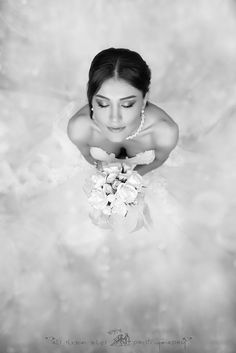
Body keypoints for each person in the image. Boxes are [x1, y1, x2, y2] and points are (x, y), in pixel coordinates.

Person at [67, 47, 179, 178]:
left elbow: (159, 160)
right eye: (103, 104)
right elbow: (88, 156)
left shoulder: (165, 132)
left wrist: (131, 178)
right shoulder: (79, 128)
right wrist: (106, 179)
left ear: (144, 100)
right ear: (91, 98)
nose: (114, 119)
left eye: (127, 105)